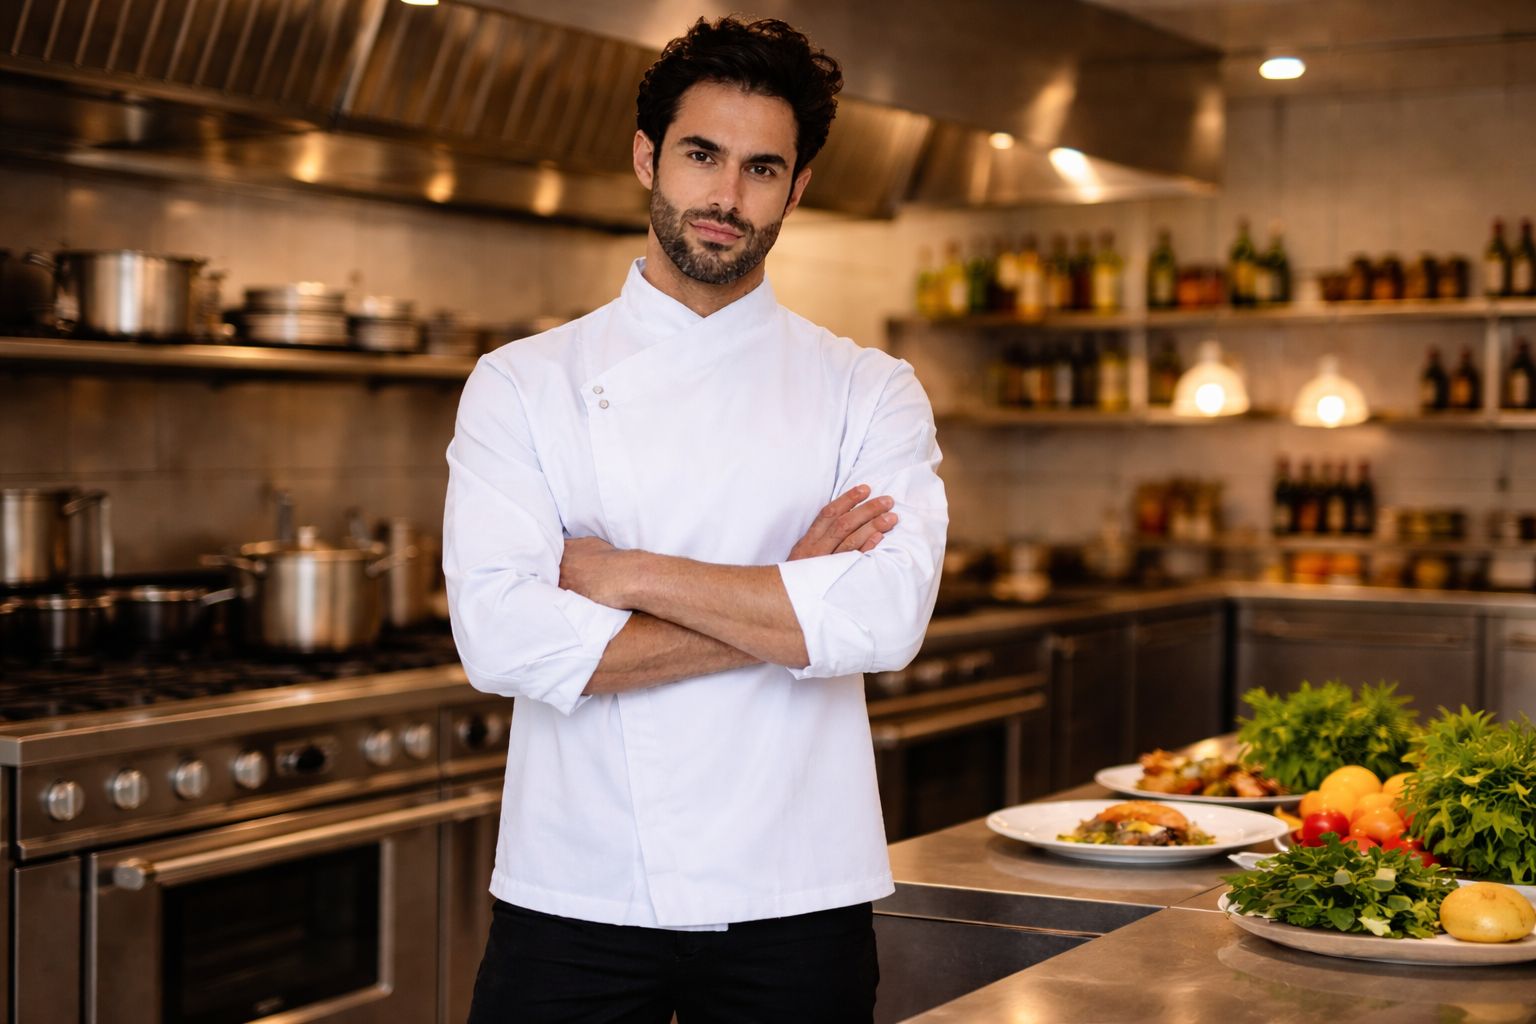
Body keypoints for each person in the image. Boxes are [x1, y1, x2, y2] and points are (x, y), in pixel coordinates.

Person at [445, 15, 947, 1022]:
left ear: (797, 189)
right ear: (648, 157)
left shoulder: (870, 388)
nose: (726, 197)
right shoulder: (522, 383)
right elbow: (501, 641)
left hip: (798, 888)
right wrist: (791, 599)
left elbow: (883, 622)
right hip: (576, 887)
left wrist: (626, 574)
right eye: (702, 155)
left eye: (763, 169)